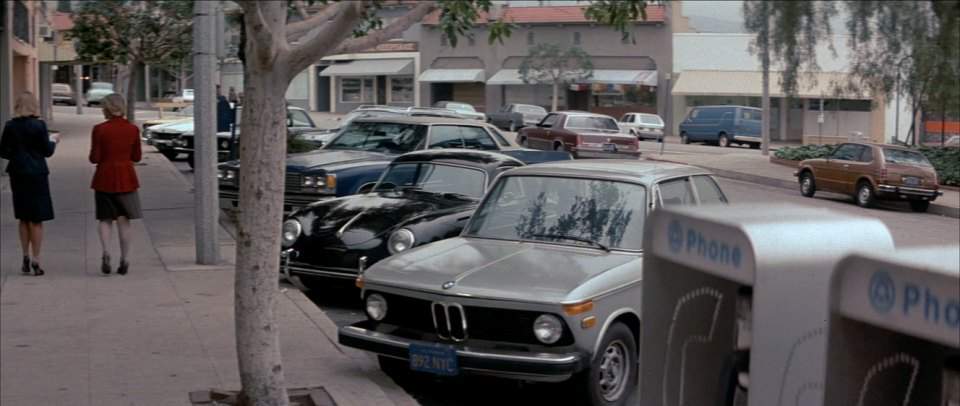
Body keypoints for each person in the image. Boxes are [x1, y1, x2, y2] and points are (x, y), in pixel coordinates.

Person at [0, 92, 60, 276]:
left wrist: (17, 153)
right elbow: (47, 151)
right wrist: (53, 140)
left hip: (18, 173)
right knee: (36, 219)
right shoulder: (39, 125)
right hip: (37, 173)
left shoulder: (10, 126)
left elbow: (3, 152)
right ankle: (36, 259)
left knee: (23, 217)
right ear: (34, 105)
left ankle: (25, 256)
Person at [89, 93, 142, 276]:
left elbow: (94, 158)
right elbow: (137, 157)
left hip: (104, 178)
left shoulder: (99, 129)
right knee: (124, 220)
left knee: (105, 219)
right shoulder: (133, 129)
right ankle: (125, 258)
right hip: (126, 178)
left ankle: (105, 251)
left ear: (107, 109)